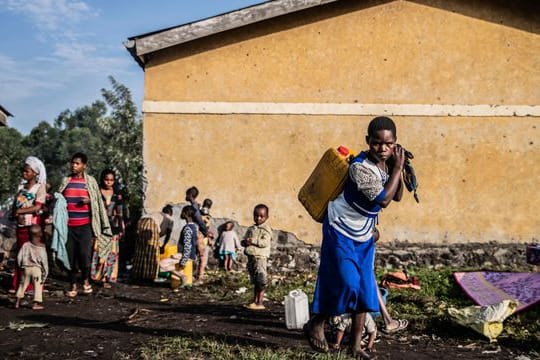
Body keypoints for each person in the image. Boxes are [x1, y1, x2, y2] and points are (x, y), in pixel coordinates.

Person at [305, 116, 406, 359]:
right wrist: (398, 168)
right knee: (347, 283)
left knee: (363, 290)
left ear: (395, 144)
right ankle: (316, 323)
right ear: (367, 142)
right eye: (376, 143)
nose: (382, 149)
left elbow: (398, 195)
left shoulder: (388, 164)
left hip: (364, 232)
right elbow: (382, 199)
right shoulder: (359, 167)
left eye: (388, 144)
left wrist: (396, 169)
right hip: (340, 227)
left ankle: (355, 346)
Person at [59, 152, 112, 297]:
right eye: (72, 163)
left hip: (85, 226)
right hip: (68, 226)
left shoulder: (90, 182)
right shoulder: (66, 180)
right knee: (70, 257)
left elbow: (98, 201)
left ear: (84, 166)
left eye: (77, 163)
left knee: (84, 255)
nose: (74, 165)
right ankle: (72, 285)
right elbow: (59, 200)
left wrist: (90, 201)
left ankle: (86, 281)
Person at [10, 156, 47, 293]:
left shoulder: (39, 187)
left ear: (35, 173)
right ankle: (18, 283)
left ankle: (30, 286)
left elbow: (37, 207)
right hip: (20, 225)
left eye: (27, 171)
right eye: (23, 171)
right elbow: (16, 204)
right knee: (20, 253)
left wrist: (20, 211)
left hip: (32, 227)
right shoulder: (21, 187)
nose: (24, 173)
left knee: (31, 254)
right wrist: (16, 213)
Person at [91, 168, 124, 288]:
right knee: (98, 252)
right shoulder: (97, 192)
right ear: (102, 179)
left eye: (111, 180)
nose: (108, 182)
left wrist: (121, 228)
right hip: (99, 226)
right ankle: (96, 276)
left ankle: (106, 278)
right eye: (106, 180)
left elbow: (120, 213)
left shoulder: (117, 195)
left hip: (113, 227)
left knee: (111, 253)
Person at [242, 204, 273, 310]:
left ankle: (260, 302)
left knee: (261, 280)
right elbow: (245, 239)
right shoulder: (251, 228)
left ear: (266, 217)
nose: (258, 218)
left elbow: (265, 242)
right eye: (256, 216)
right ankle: (255, 301)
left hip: (260, 258)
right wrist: (244, 242)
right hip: (252, 258)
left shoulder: (266, 230)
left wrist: (253, 241)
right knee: (255, 281)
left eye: (261, 216)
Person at [131, 205, 174, 281]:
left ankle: (138, 273)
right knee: (152, 251)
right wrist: (163, 246)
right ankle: (150, 275)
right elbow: (168, 233)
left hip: (141, 222)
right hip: (151, 224)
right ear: (170, 213)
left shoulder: (156, 214)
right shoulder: (169, 218)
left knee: (141, 249)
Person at [14, 225, 48, 310]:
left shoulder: (25, 245)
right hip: (36, 270)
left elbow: (19, 257)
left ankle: (17, 302)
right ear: (40, 234)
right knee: (38, 286)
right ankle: (35, 304)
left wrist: (20, 266)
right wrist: (45, 274)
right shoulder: (42, 247)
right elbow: (44, 262)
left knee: (22, 285)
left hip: (26, 268)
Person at [173, 205, 199, 289]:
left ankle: (183, 277)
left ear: (186, 214)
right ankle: (185, 280)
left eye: (183, 212)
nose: (181, 213)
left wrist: (183, 261)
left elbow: (188, 246)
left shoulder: (188, 228)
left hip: (186, 255)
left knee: (162, 265)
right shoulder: (194, 227)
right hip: (190, 255)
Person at [195, 198, 215, 285]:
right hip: (202, 239)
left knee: (194, 258)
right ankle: (200, 278)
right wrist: (210, 238)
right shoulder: (207, 217)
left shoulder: (197, 214)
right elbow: (205, 229)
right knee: (203, 259)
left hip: (195, 238)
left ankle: (194, 275)